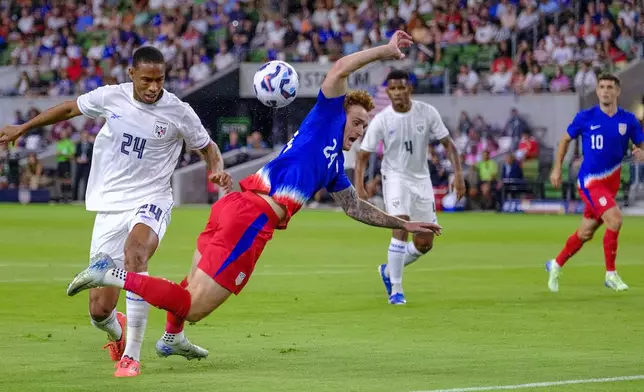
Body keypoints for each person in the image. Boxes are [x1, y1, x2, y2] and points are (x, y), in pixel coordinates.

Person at [65, 31, 441, 362]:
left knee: (190, 285)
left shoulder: (332, 166)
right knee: (194, 306)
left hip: (234, 205)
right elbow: (341, 66)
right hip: (252, 220)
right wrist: (386, 50)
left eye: (364, 126)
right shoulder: (326, 117)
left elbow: (354, 207)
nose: (359, 131)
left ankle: (172, 338)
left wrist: (402, 223)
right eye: (357, 122)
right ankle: (111, 273)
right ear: (342, 113)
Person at [0, 46, 231, 377]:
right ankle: (118, 331)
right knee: (98, 310)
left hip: (152, 199)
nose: (154, 87)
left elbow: (208, 148)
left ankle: (132, 357)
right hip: (110, 205)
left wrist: (216, 172)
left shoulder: (178, 111)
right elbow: (68, 109)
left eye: (160, 80)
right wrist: (21, 129)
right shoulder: (112, 97)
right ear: (131, 75)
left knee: (136, 253)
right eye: (147, 80)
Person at [354, 70, 465, 305]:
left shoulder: (427, 112)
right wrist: (360, 187)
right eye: (392, 89)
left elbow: (449, 145)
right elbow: (363, 156)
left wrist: (459, 175)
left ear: (409, 89)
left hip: (421, 179)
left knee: (425, 243)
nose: (396, 93)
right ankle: (396, 290)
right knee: (401, 224)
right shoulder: (383, 119)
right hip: (394, 177)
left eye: (401, 88)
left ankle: (387, 271)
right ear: (388, 92)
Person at [547, 74, 644, 293]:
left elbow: (642, 146)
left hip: (610, 185)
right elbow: (564, 140)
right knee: (615, 220)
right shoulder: (585, 117)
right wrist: (557, 167)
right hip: (590, 182)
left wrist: (641, 154)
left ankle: (555, 264)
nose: (605, 91)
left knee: (585, 233)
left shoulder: (628, 120)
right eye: (601, 87)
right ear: (597, 91)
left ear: (617, 91)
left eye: (610, 87)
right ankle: (610, 274)